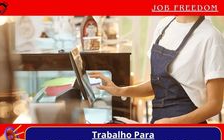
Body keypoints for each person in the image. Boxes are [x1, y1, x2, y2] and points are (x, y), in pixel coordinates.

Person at [90, 16, 224, 124]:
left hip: (187, 131)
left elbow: (214, 105)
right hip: (159, 123)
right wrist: (120, 90)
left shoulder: (211, 37)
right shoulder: (164, 26)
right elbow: (159, 84)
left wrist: (173, 123)